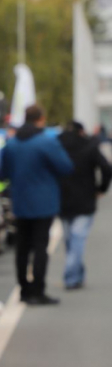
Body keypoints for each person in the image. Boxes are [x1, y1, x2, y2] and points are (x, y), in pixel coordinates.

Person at [0, 104, 73, 305]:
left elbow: (2, 172)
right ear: (41, 119)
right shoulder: (46, 142)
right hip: (44, 203)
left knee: (22, 248)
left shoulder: (11, 144)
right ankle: (38, 291)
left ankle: (23, 289)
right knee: (40, 247)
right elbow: (66, 166)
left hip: (20, 202)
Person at [57, 120, 112, 289]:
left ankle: (75, 274)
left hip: (62, 200)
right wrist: (101, 189)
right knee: (77, 239)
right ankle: (72, 277)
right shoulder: (89, 145)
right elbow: (107, 168)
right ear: (82, 131)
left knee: (69, 239)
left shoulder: (56, 146)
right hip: (85, 198)